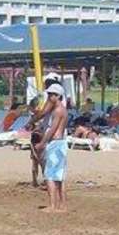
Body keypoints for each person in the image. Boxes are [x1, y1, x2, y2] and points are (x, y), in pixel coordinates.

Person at [40, 82, 69, 212]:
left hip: (55, 143)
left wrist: (42, 143)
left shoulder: (58, 110)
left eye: (52, 94)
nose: (49, 97)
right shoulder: (63, 110)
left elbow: (52, 129)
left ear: (58, 96)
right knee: (60, 176)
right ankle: (62, 205)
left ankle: (52, 205)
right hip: (61, 143)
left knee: (50, 176)